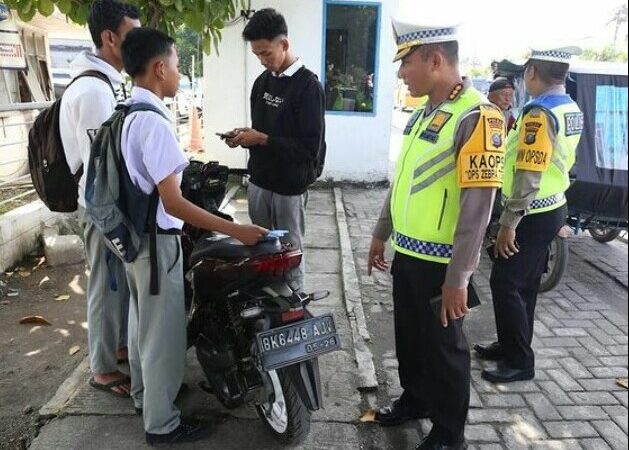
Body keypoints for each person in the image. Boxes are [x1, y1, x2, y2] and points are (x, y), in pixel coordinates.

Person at [119, 27, 267, 445]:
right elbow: (174, 203)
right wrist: (235, 228)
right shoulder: (154, 125)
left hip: (132, 240)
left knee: (141, 325)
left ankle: (145, 397)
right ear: (160, 68)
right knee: (164, 336)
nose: (181, 74)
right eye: (179, 66)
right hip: (155, 242)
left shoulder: (127, 114)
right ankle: (162, 424)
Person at [368, 19, 506, 450]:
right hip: (408, 253)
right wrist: (381, 232)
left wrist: (458, 279)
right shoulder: (424, 112)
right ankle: (415, 400)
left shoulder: (478, 116)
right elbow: (404, 180)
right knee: (410, 338)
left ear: (435, 59)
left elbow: (477, 207)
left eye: (406, 63)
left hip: (443, 263)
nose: (401, 73)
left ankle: (449, 435)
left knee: (446, 351)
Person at [476, 46, 584, 383]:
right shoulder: (569, 107)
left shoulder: (539, 113)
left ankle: (520, 361)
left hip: (531, 212)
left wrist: (509, 222)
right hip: (552, 206)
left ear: (532, 72)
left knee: (505, 281)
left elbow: (528, 171)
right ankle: (512, 345)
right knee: (526, 284)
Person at [59, 0, 140, 397]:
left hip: (108, 205)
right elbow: (103, 166)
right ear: (109, 38)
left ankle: (118, 346)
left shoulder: (104, 82)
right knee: (106, 287)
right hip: (102, 208)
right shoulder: (92, 90)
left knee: (117, 286)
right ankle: (103, 368)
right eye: (132, 38)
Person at [223, 8, 326, 291]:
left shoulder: (308, 87)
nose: (262, 61)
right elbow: (262, 131)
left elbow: (309, 148)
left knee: (289, 254)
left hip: (288, 189)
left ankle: (294, 310)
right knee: (262, 252)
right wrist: (244, 136)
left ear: (284, 44)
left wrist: (263, 139)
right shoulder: (261, 83)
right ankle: (267, 307)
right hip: (259, 183)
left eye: (266, 53)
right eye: (257, 54)